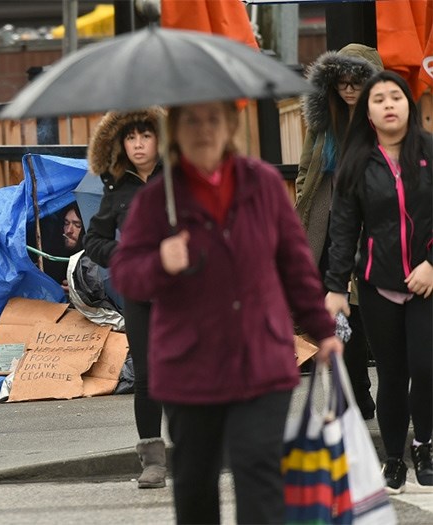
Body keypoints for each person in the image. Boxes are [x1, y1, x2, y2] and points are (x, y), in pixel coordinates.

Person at [109, 101, 343, 524]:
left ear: (231, 125)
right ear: (175, 131)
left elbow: (295, 265)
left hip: (261, 359)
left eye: (213, 118)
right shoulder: (157, 199)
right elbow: (126, 275)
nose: (203, 128)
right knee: (196, 483)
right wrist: (160, 261)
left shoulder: (264, 184)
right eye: (192, 120)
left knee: (259, 473)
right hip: (189, 368)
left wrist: (323, 331)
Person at [324, 70, 433, 494]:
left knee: (425, 369)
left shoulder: (428, 151)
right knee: (391, 374)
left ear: (409, 105)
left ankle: (424, 444)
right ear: (368, 112)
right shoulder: (356, 163)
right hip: (376, 284)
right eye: (379, 99)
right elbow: (343, 230)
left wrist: (430, 264)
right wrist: (335, 288)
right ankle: (392, 457)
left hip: (426, 284)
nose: (389, 105)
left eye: (396, 97)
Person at [296, 43, 383, 419]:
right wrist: (304, 199)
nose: (348, 89)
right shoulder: (324, 119)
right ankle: (355, 393)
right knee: (337, 313)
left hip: (370, 225)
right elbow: (305, 170)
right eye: (341, 82)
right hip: (326, 224)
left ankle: (367, 390)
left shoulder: (383, 122)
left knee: (368, 310)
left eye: (356, 82)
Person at [83, 106, 167, 488]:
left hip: (181, 292)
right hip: (139, 294)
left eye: (145, 136)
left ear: (158, 139)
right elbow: (94, 240)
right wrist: (121, 255)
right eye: (130, 138)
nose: (137, 144)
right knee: (148, 378)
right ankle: (152, 461)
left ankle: (199, 448)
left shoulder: (180, 181)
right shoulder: (116, 188)